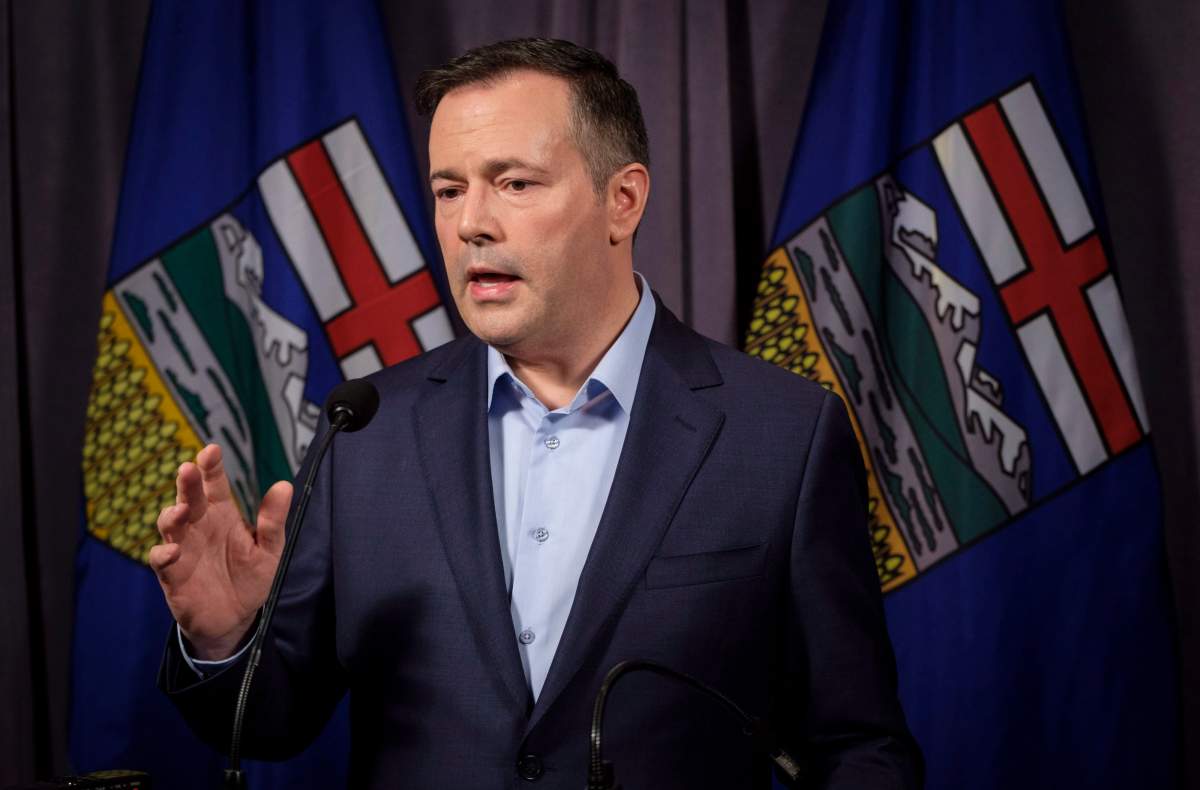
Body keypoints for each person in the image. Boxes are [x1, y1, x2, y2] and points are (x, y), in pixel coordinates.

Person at [151, 38, 922, 789]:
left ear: (622, 201)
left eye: (514, 183)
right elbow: (276, 722)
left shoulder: (783, 433)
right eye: (449, 189)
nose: (469, 225)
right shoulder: (368, 427)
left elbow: (856, 747)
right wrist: (224, 640)